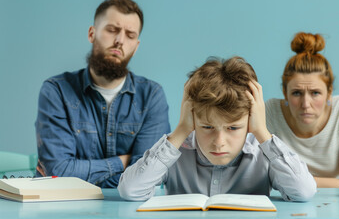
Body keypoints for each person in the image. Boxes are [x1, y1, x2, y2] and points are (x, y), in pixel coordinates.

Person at [118, 56, 316, 201]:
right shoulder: (175, 149)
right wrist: (181, 129)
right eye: (207, 126)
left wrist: (262, 132)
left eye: (233, 128)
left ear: (249, 121)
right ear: (193, 119)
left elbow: (303, 191)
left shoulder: (262, 153)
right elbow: (130, 190)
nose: (219, 141)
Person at [35, 0, 170, 187]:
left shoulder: (152, 96)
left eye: (130, 35)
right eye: (112, 30)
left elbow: (147, 178)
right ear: (92, 34)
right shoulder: (56, 90)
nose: (119, 41)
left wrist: (76, 174)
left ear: (136, 46)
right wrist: (124, 162)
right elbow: (59, 171)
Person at [265, 32, 339, 188]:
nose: (305, 104)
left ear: (329, 92)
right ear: (285, 94)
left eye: (315, 93)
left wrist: (294, 182)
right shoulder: (271, 112)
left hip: (334, 205)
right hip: (285, 203)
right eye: (297, 93)